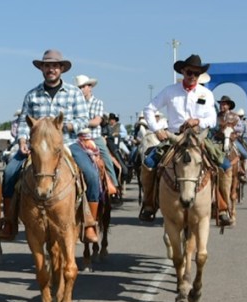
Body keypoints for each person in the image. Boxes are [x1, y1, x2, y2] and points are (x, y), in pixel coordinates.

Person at [0, 49, 100, 243]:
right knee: (10, 172)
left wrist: (67, 126)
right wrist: (21, 140)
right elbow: (22, 122)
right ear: (42, 69)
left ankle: (89, 222)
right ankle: (9, 221)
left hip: (67, 143)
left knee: (91, 174)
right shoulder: (32, 95)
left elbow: (83, 119)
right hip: (36, 146)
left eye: (54, 66)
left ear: (61, 69)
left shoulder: (73, 93)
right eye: (47, 66)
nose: (51, 69)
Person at [140, 54, 229, 224]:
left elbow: (212, 118)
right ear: (183, 71)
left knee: (224, 165)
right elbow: (149, 109)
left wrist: (198, 121)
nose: (192, 76)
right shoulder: (170, 91)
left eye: (196, 73)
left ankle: (222, 206)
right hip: (175, 138)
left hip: (199, 138)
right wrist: (157, 129)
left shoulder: (206, 94)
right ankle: (149, 204)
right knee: (149, 164)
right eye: (189, 72)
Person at [75, 74, 119, 191]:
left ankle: (114, 186)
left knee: (107, 159)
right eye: (79, 87)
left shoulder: (97, 102)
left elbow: (96, 121)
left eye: (83, 86)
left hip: (94, 137)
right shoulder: (75, 103)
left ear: (90, 87)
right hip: (77, 138)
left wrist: (78, 123)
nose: (81, 89)